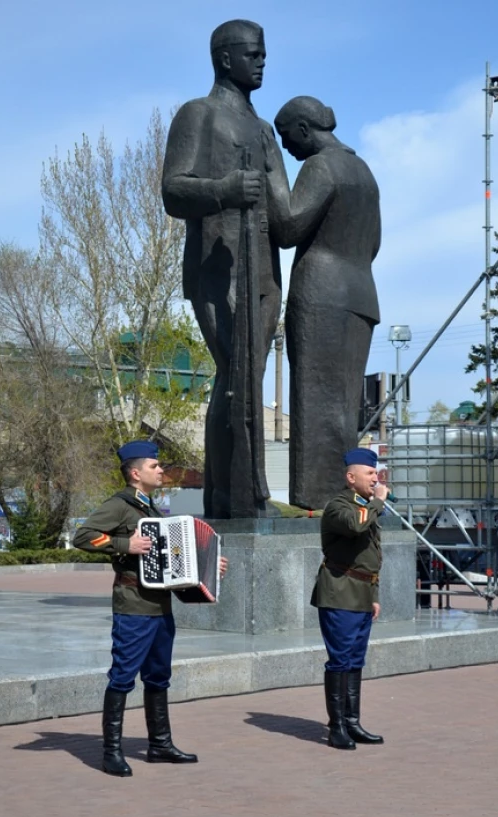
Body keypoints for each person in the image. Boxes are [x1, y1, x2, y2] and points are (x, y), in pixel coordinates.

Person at [162, 20, 284, 518]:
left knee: (246, 379)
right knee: (235, 376)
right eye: (253, 53)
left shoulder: (263, 129)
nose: (261, 61)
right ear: (225, 58)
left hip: (265, 274)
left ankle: (237, 492)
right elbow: (173, 190)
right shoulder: (199, 115)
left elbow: (286, 211)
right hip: (218, 268)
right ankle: (230, 495)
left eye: (263, 53)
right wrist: (224, 190)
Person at [74, 440, 227, 777]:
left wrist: (208, 564)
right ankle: (111, 752)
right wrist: (122, 544)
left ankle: (160, 744)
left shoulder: (151, 509)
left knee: (158, 677)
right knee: (123, 677)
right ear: (135, 472)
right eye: (154, 466)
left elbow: (174, 558)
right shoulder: (120, 505)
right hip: (133, 606)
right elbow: (83, 535)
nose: (161, 470)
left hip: (160, 608)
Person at [265, 96, 382, 511]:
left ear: (301, 129)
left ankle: (317, 498)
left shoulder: (322, 166)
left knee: (315, 402)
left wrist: (271, 171)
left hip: (322, 296)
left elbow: (288, 225)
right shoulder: (363, 171)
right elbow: (374, 243)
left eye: (286, 139)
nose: (289, 150)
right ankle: (341, 492)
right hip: (361, 295)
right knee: (343, 406)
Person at [310, 447, 388, 750]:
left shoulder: (365, 506)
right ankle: (337, 726)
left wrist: (375, 594)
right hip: (340, 592)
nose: (375, 478)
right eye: (370, 473)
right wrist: (379, 501)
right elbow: (356, 525)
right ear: (350, 477)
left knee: (356, 660)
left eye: (376, 473)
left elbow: (371, 558)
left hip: (362, 594)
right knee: (340, 661)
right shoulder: (338, 506)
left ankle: (353, 722)